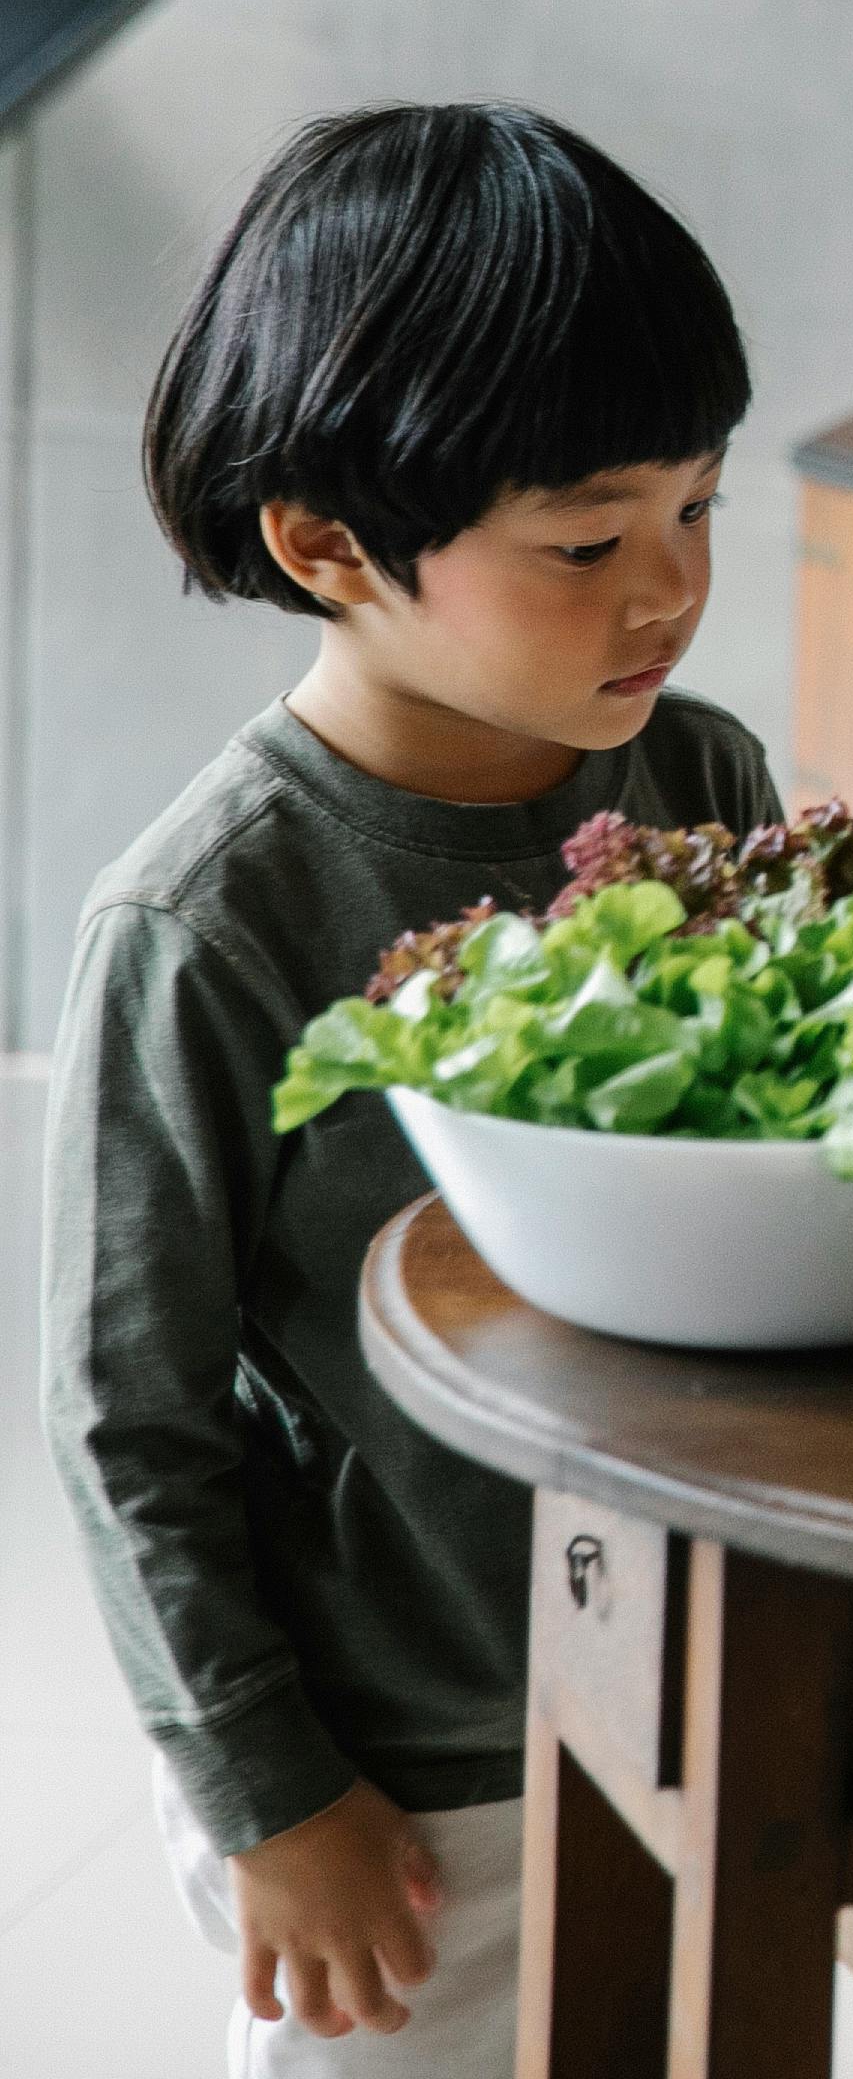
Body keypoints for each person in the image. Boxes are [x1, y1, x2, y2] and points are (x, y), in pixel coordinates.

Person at [43, 104, 778, 2075]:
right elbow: (130, 1413)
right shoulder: (213, 916)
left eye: (701, 510)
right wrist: (268, 1794)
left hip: (703, 1681)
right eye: (588, 542)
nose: (669, 588)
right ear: (328, 543)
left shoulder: (698, 785)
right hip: (414, 1768)